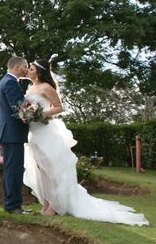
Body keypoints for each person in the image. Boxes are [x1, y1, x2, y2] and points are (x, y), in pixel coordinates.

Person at [23, 58, 149, 226]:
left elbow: (59, 107)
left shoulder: (47, 87)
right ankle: (46, 203)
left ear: (38, 71)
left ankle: (54, 205)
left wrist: (41, 114)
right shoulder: (30, 87)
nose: (28, 70)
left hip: (46, 132)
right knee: (41, 171)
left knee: (53, 169)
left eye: (30, 68)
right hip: (34, 133)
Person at [0, 56, 30, 214]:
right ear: (17, 67)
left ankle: (11, 205)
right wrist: (33, 115)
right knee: (13, 171)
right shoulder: (10, 82)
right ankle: (13, 206)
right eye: (25, 66)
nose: (27, 69)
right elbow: (18, 108)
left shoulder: (6, 81)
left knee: (12, 170)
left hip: (9, 134)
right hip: (12, 134)